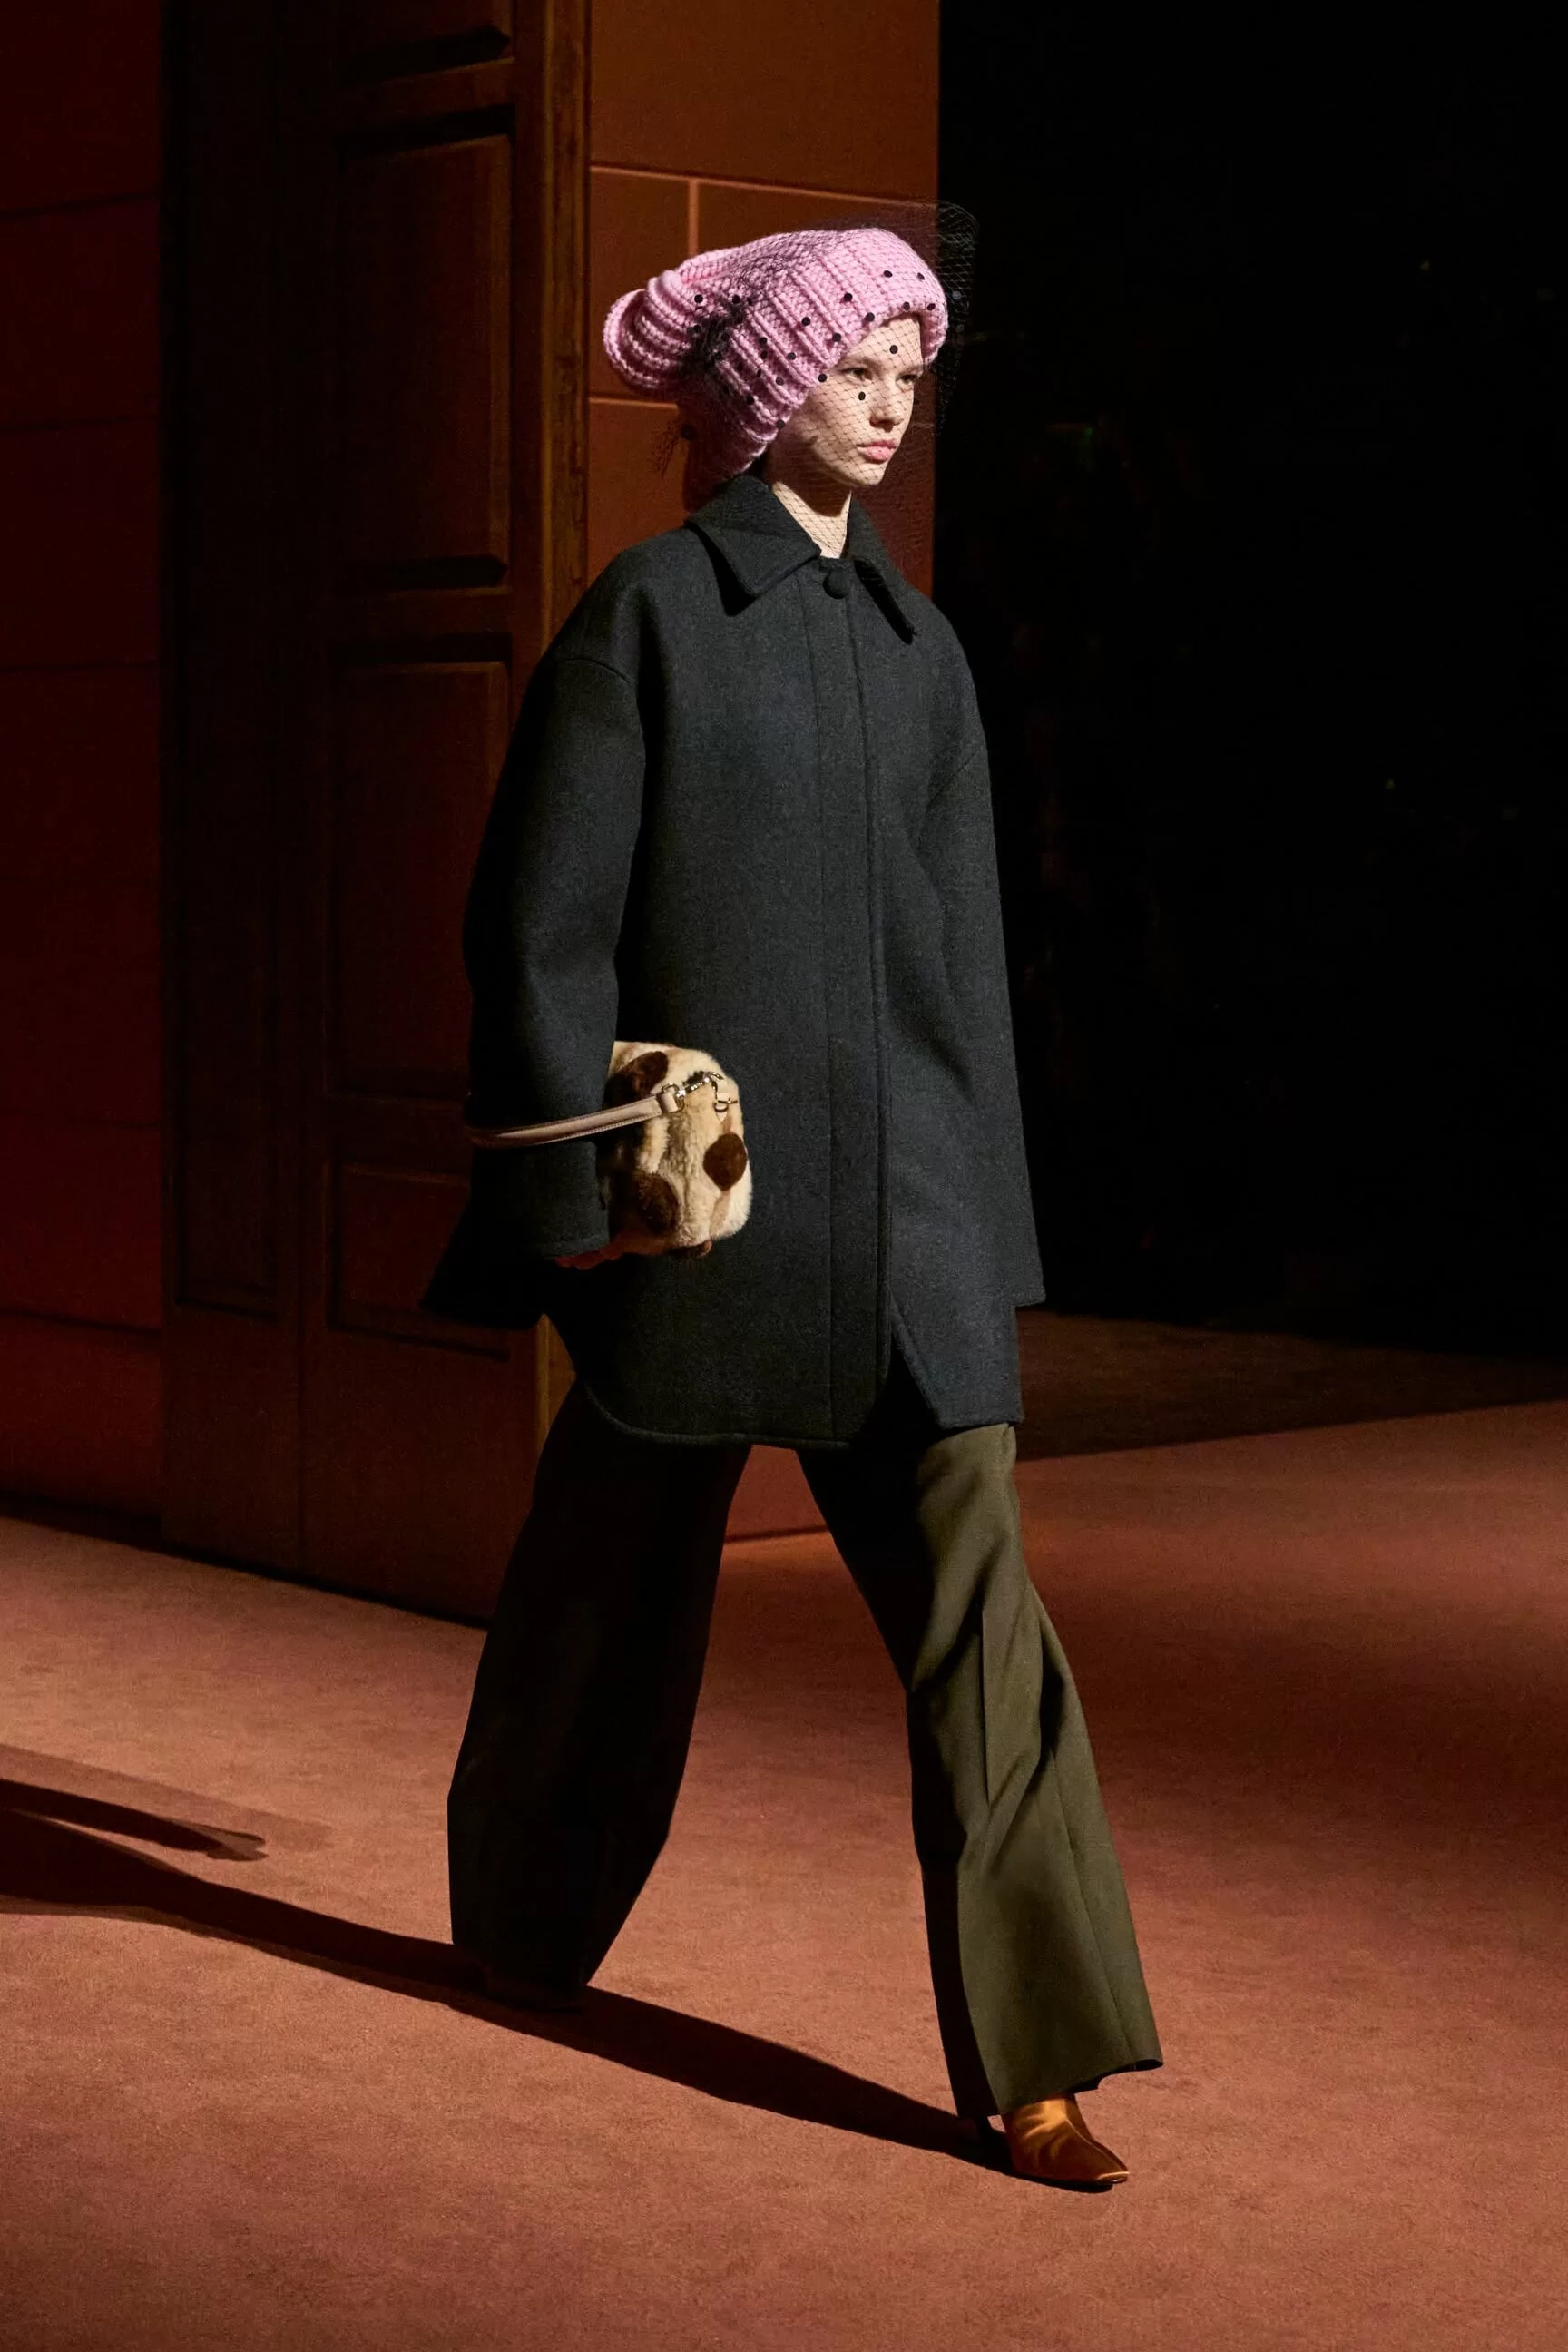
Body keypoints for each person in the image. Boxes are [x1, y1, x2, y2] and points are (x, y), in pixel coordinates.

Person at [422, 222, 1161, 2189]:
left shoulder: (927, 658)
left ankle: (1039, 2062)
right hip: (702, 1226)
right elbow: (541, 926)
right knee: (608, 1596)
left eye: (912, 370)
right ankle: (521, 1922)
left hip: (911, 1236)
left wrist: (988, 1245)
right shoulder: (650, 617)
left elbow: (965, 981)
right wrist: (569, 1203)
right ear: (768, 393)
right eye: (857, 367)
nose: (894, 403)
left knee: (988, 1632)